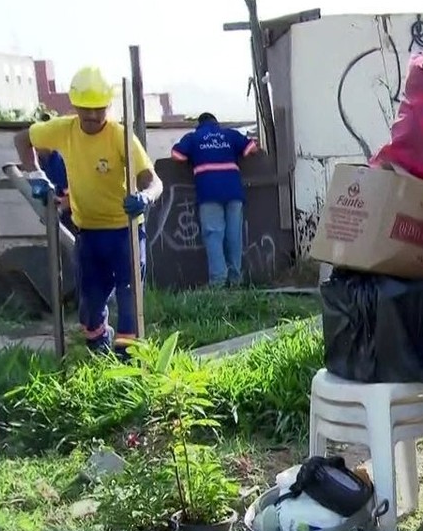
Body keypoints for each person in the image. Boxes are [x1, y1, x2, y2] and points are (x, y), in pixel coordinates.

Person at [14, 66, 163, 359]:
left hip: (126, 232)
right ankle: (99, 340)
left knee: (129, 296)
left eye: (99, 109)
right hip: (90, 234)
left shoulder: (121, 136)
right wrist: (36, 176)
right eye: (86, 110)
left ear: (108, 105)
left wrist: (145, 196)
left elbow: (153, 180)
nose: (93, 116)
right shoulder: (63, 129)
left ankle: (128, 361)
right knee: (90, 307)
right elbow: (23, 139)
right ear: (75, 106)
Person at [171, 112, 259, 287]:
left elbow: (176, 155)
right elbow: (252, 148)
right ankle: (235, 280)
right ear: (216, 123)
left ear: (200, 124)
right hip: (233, 191)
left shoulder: (194, 137)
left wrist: (194, 158)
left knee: (213, 235)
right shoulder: (230, 134)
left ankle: (218, 280)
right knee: (234, 235)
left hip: (209, 191)